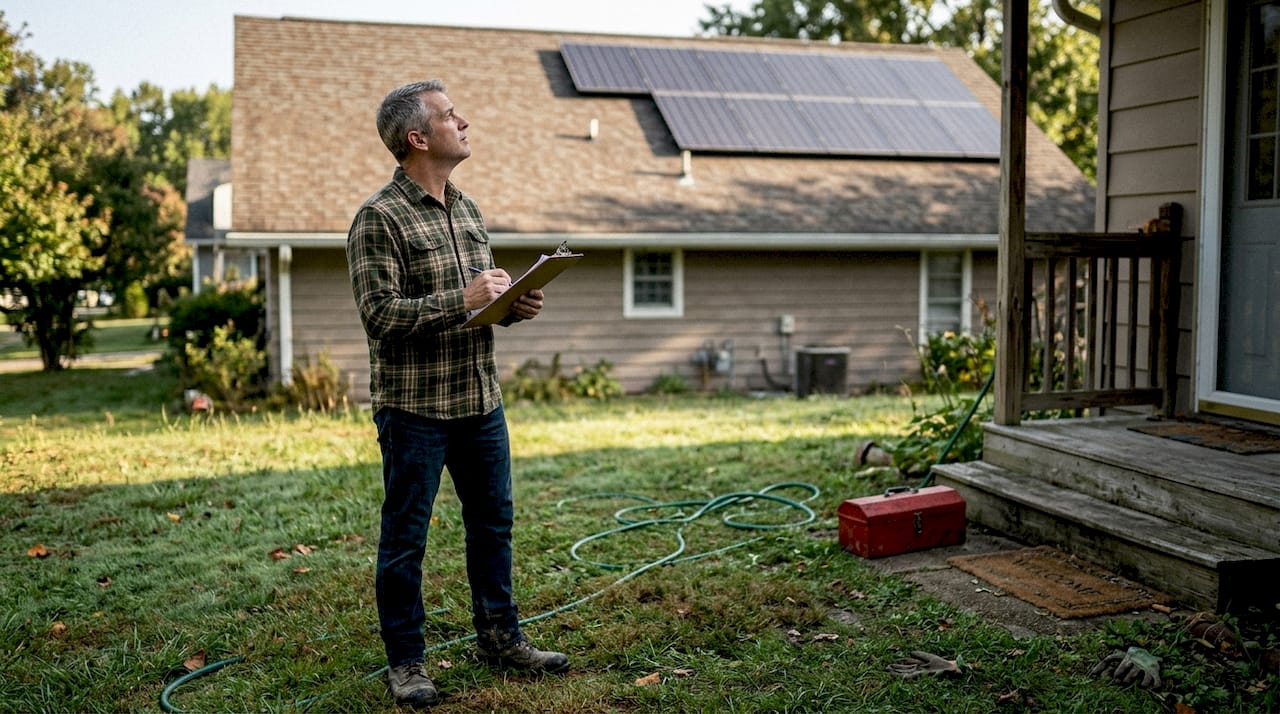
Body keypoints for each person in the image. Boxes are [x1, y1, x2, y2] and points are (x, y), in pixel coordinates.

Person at [347, 79, 569, 709]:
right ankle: (406, 663)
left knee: (493, 523)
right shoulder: (378, 218)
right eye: (450, 115)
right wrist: (463, 299)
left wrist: (512, 306)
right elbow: (380, 315)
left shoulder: (468, 210)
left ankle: (500, 639)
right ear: (418, 138)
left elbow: (478, 308)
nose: (464, 121)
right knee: (406, 538)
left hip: (479, 399)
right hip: (414, 407)